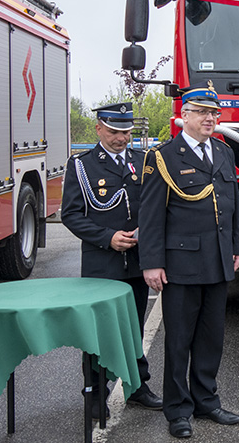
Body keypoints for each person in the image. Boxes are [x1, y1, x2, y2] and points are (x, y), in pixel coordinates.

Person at [139, 83, 239, 439]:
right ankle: (178, 409)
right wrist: (151, 262)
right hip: (181, 262)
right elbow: (151, 215)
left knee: (211, 337)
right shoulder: (163, 156)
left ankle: (207, 400)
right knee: (179, 340)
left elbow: (231, 205)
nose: (210, 118)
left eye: (214, 113)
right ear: (184, 115)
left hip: (217, 259)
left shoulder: (223, 152)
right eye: (201, 112)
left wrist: (237, 244)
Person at [61, 102, 162, 419]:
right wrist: (107, 238)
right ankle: (95, 392)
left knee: (134, 327)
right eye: (116, 132)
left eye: (128, 132)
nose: (123, 138)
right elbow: (71, 215)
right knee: (98, 332)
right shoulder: (82, 166)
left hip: (136, 261)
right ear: (99, 129)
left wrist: (145, 232)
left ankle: (137, 386)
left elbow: (154, 205)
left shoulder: (142, 161)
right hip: (101, 264)